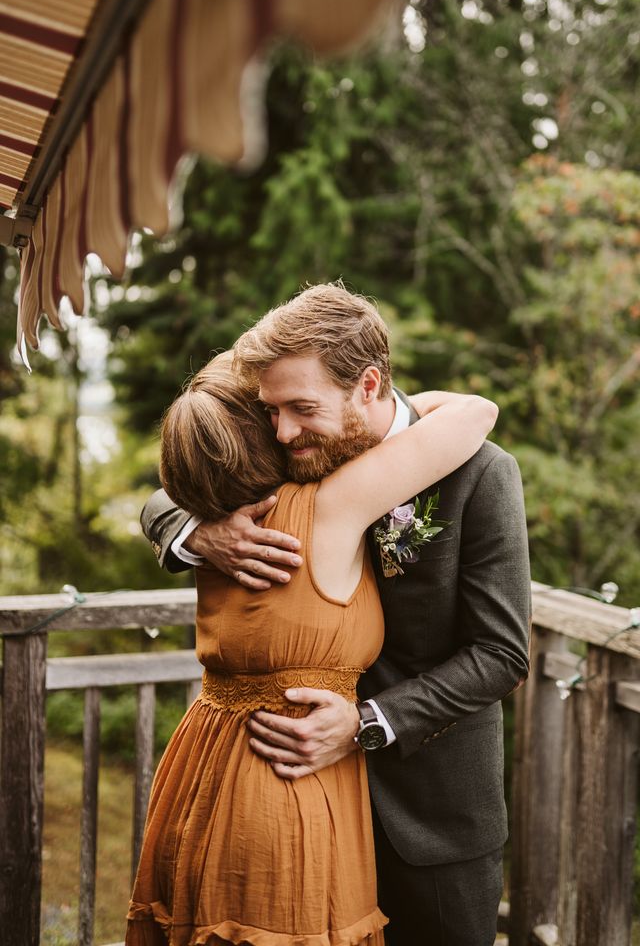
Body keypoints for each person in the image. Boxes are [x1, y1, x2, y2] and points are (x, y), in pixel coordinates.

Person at [141, 283, 531, 946]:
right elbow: (180, 475)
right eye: (272, 410)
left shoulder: (479, 474)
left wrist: (368, 724)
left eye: (301, 407)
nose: (282, 428)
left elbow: (502, 653)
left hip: (429, 812)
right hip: (301, 804)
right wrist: (190, 530)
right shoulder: (292, 457)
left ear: (368, 386)